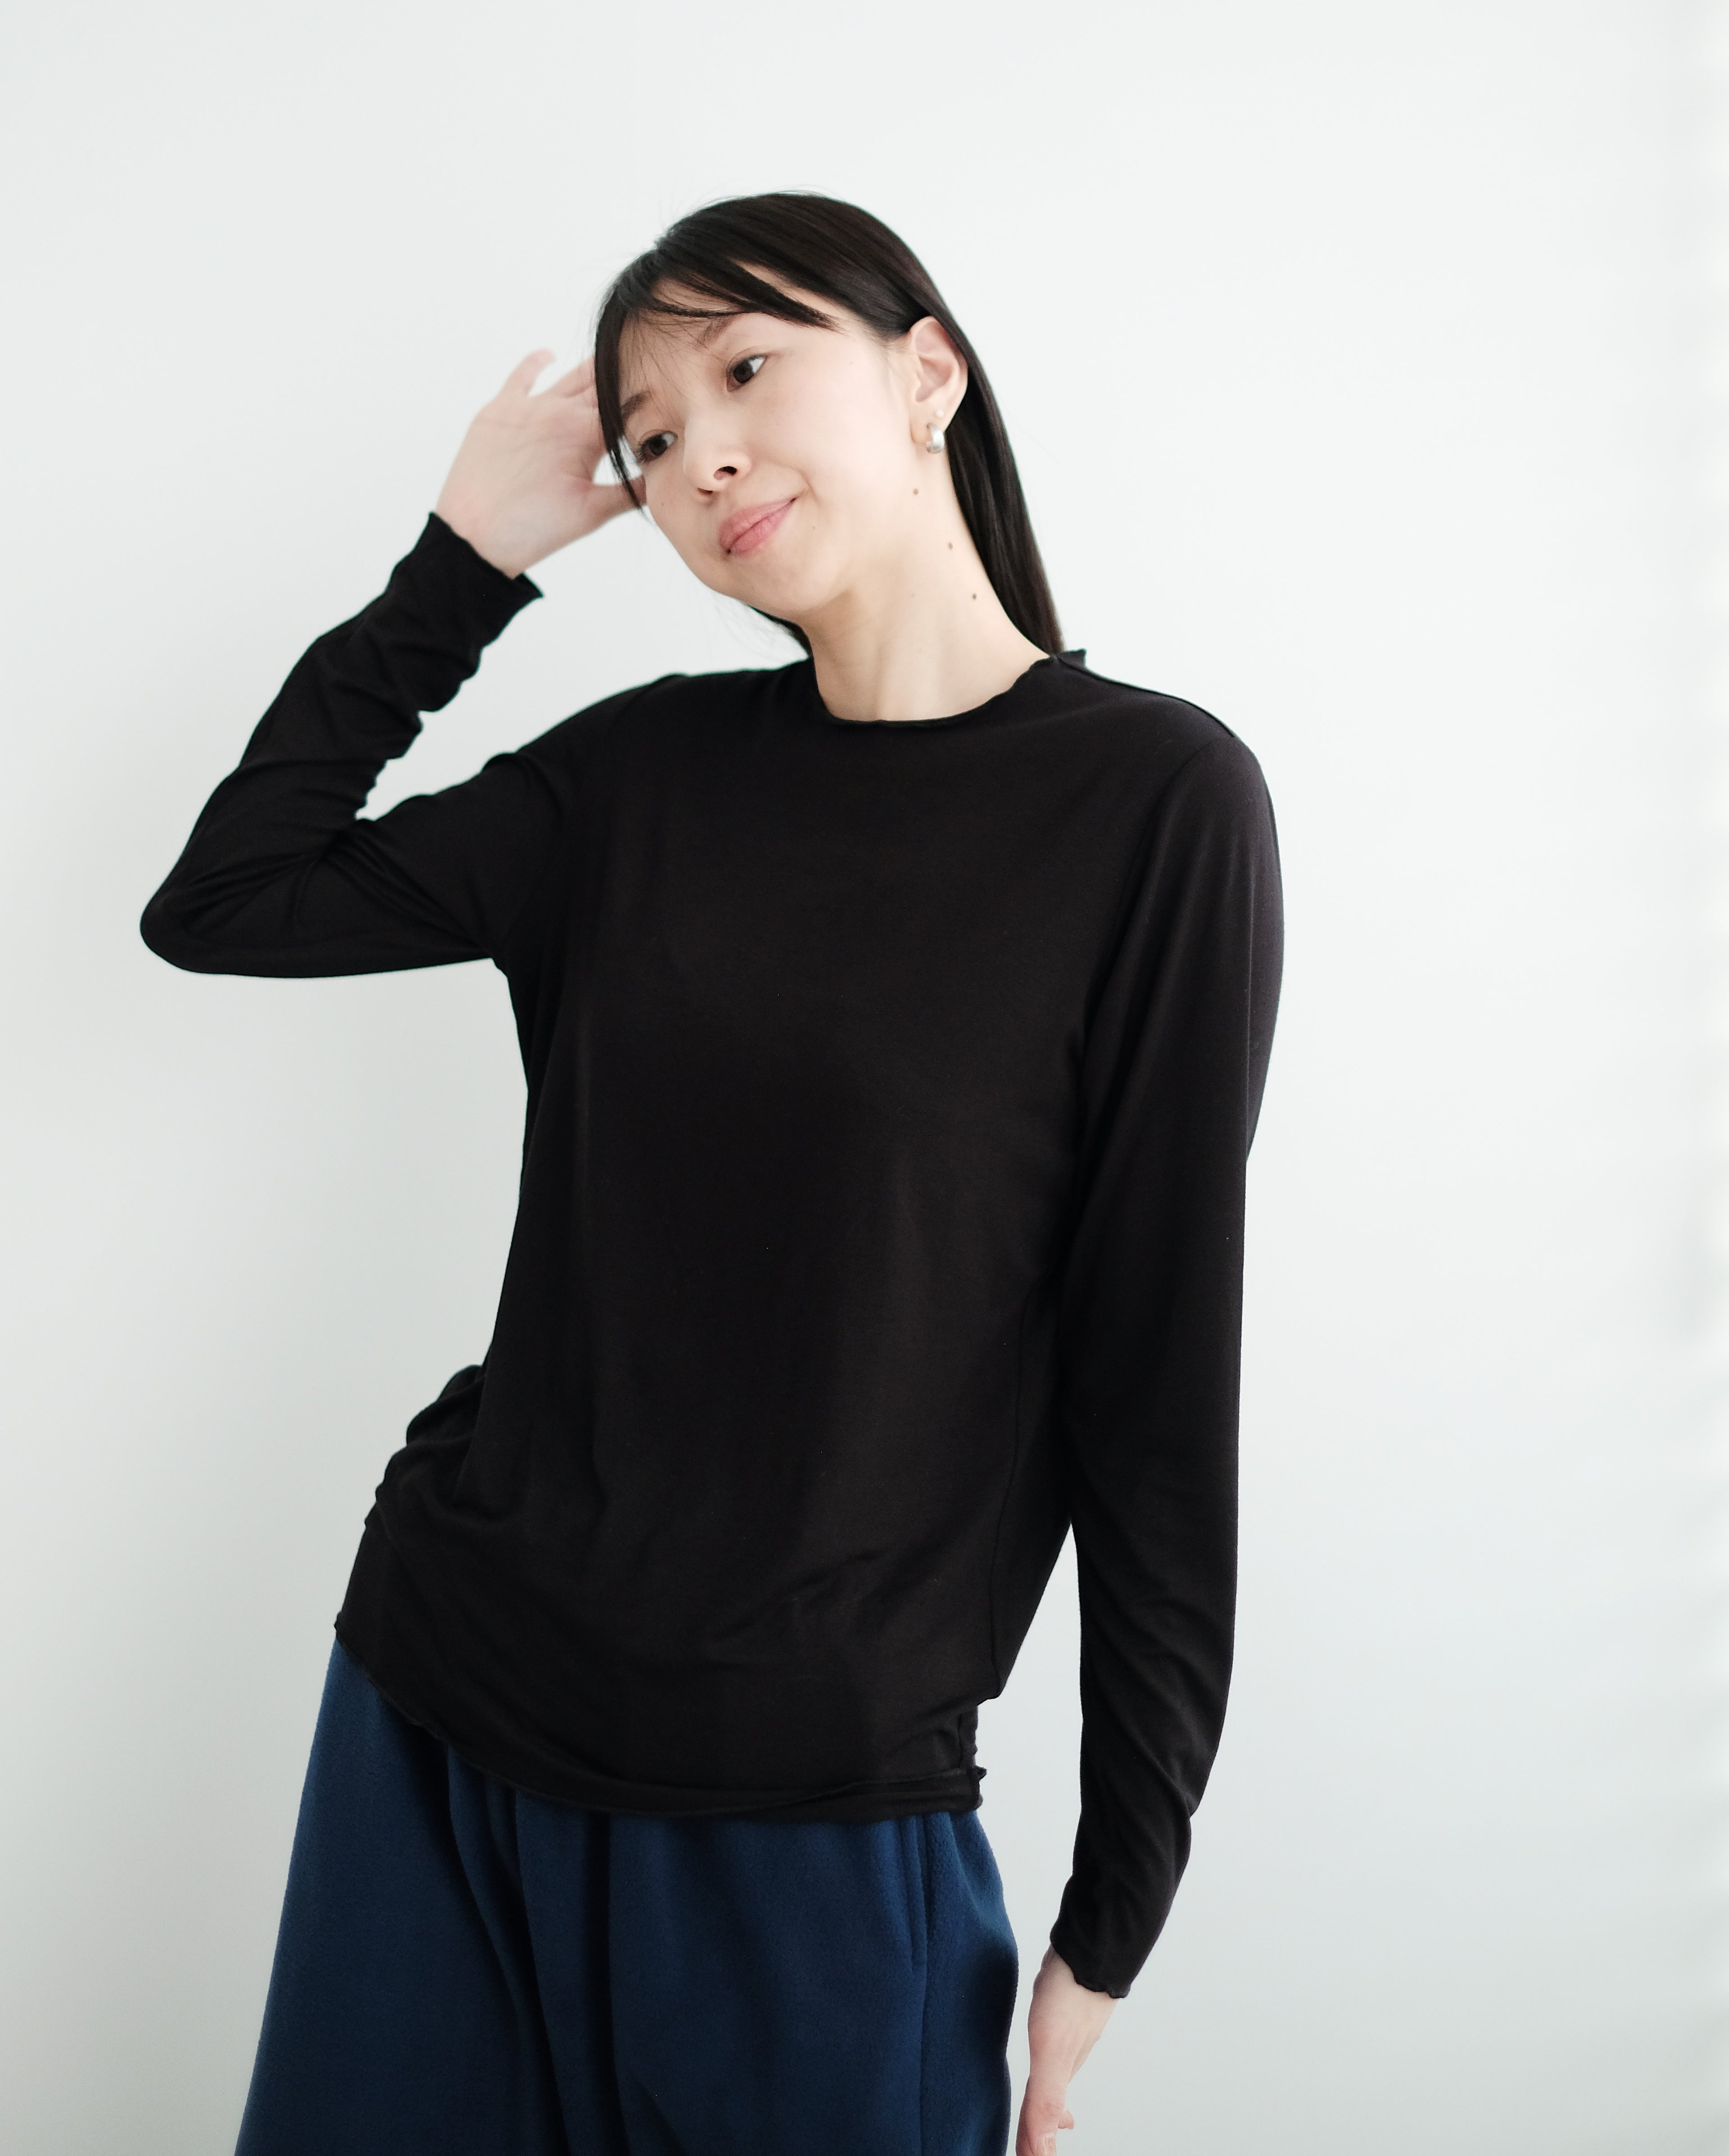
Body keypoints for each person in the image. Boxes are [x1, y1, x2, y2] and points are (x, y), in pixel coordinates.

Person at [142, 192, 1282, 2156]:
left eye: (749, 369)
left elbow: (1155, 1387)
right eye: (652, 435)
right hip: (447, 1704)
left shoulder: (1155, 805)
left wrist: (1118, 1906)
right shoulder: (636, 779)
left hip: (808, 1813)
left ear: (928, 374)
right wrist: (461, 568)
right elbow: (227, 904)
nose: (702, 460)